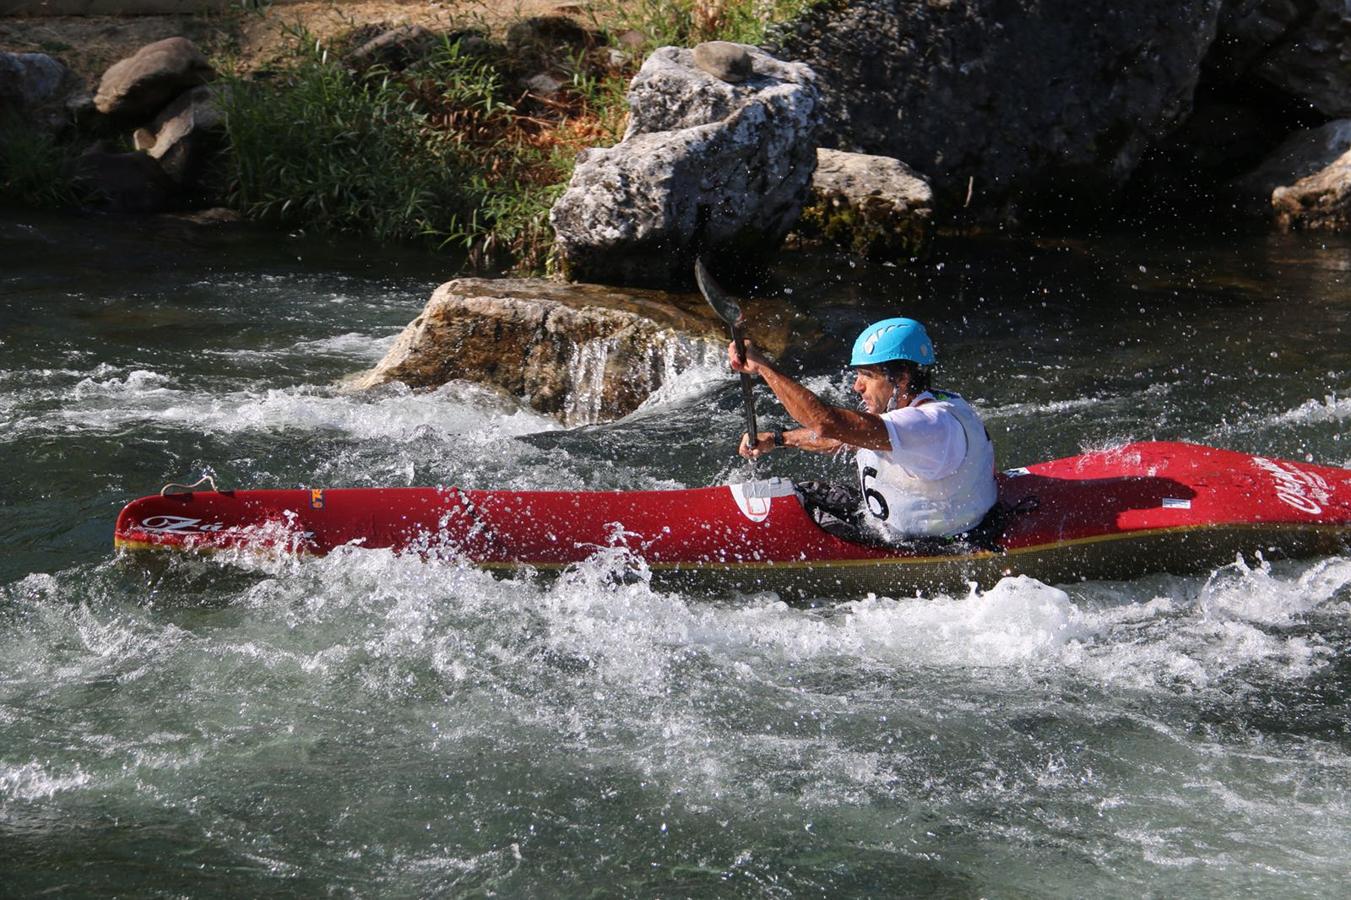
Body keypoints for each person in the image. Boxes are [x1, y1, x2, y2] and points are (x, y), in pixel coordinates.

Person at [728, 317, 997, 541]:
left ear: (902, 378)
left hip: (937, 543)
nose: (857, 386)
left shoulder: (927, 424)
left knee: (805, 515)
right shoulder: (931, 403)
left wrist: (762, 366)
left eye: (867, 375)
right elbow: (839, 437)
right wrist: (779, 438)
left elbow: (825, 422)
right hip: (905, 524)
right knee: (803, 494)